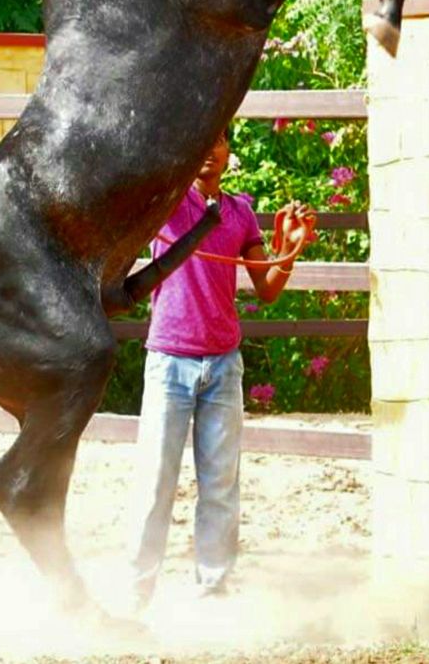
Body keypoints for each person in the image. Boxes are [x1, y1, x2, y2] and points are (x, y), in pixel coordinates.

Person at [128, 128, 314, 608]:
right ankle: (137, 592)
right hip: (170, 358)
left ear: (229, 151)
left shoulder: (239, 214)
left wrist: (291, 246)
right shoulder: (165, 205)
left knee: (220, 485)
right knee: (156, 481)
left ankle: (213, 591)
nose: (209, 150)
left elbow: (267, 288)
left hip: (223, 366)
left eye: (218, 141)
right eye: (200, 140)